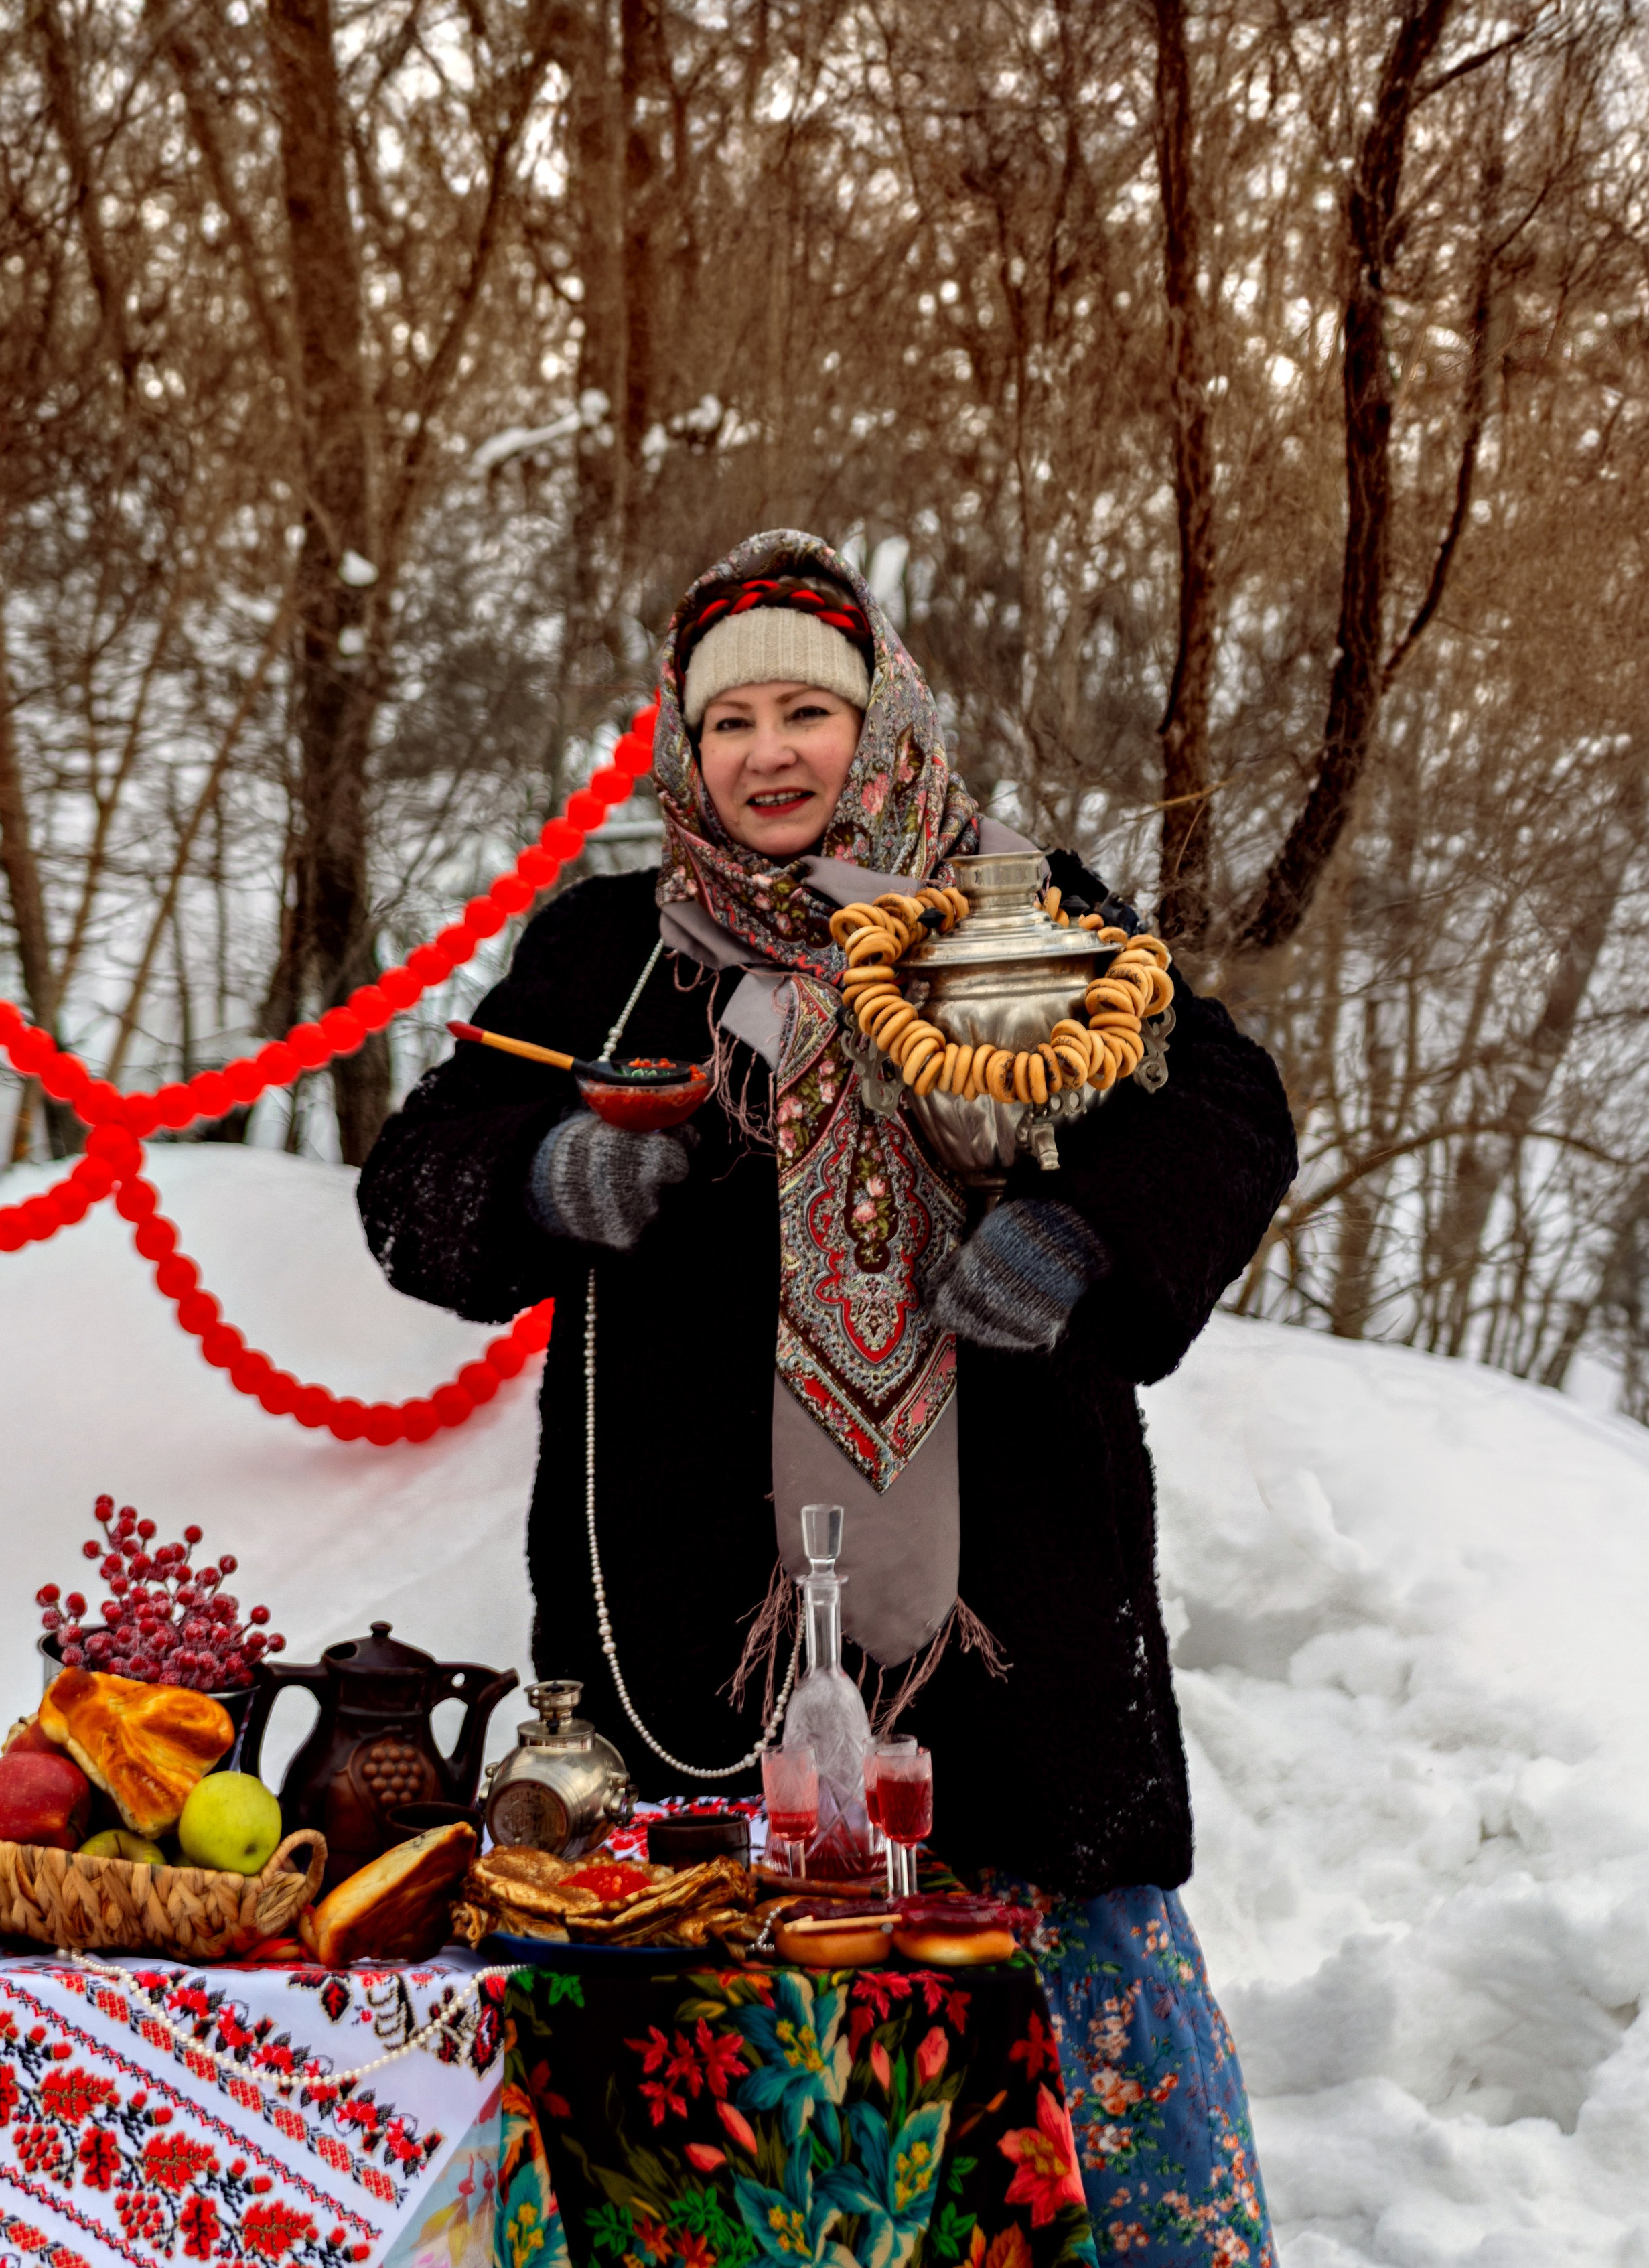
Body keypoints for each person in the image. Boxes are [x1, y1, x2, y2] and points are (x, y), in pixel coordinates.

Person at [359, 528, 1296, 2266]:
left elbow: (1228, 1116)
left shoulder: (1028, 918)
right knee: (711, 2142)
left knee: (1055, 2168)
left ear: (879, 721)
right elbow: (416, 1185)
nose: (771, 753)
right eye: (732, 724)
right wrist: (554, 1172)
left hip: (1003, 1663)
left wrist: (1082, 1238)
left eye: (809, 708)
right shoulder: (605, 961)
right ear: (681, 749)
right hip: (692, 1663)